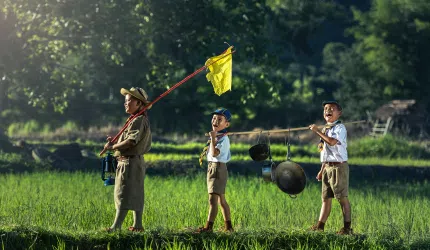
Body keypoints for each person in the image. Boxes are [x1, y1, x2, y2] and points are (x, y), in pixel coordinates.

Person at [104, 87, 152, 232]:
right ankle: (138, 225)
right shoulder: (135, 119)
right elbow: (127, 139)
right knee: (135, 192)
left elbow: (131, 142)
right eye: (125, 101)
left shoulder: (138, 120)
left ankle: (116, 226)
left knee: (123, 193)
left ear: (138, 103)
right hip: (134, 161)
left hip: (129, 161)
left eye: (128, 101)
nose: (125, 104)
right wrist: (116, 142)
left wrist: (113, 147)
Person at [308, 100, 352, 235]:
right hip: (327, 167)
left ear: (339, 113)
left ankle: (347, 228)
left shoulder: (340, 128)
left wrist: (317, 132)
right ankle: (320, 226)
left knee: (342, 198)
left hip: (338, 167)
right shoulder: (325, 129)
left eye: (332, 109)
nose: (328, 110)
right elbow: (325, 151)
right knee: (326, 198)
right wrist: (322, 170)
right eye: (326, 108)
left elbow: (332, 142)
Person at [197, 108, 234, 232]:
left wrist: (213, 138)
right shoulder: (219, 136)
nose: (215, 121)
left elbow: (214, 152)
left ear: (226, 124)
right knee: (221, 200)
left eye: (220, 120)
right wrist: (214, 137)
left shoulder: (222, 139)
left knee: (213, 200)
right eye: (214, 118)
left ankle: (208, 227)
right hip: (213, 168)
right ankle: (229, 227)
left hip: (217, 168)